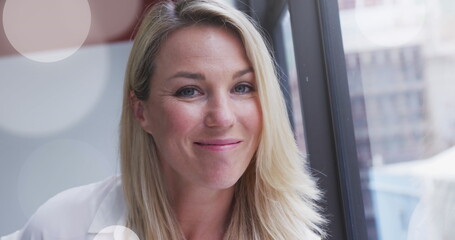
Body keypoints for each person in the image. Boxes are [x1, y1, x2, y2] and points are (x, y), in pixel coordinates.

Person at [14, 0, 325, 239]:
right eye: (189, 91)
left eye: (241, 87)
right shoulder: (64, 224)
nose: (223, 116)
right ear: (141, 111)